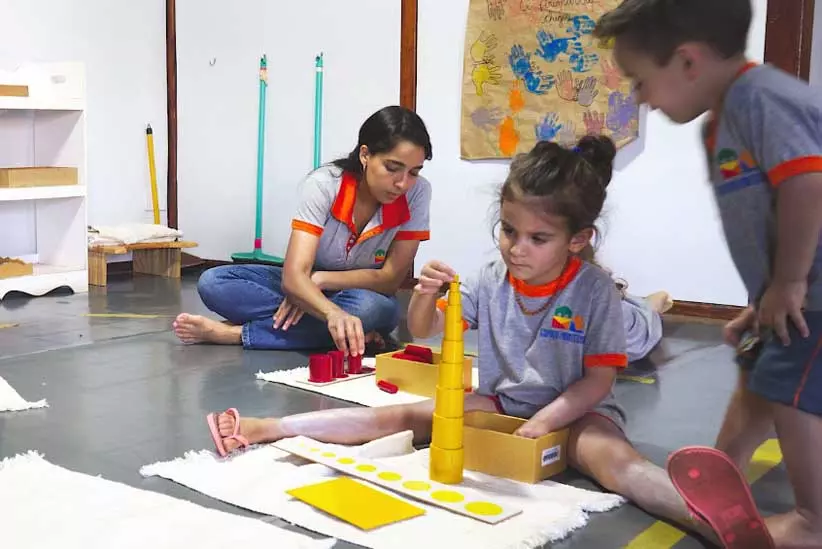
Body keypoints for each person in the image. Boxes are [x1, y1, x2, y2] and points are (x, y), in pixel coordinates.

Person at [204, 136, 726, 546]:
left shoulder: (593, 290)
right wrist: (425, 294)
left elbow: (598, 382)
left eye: (538, 239)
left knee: (619, 466)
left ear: (577, 239)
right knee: (400, 416)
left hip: (578, 413)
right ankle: (271, 427)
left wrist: (545, 422)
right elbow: (425, 330)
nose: (517, 248)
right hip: (503, 403)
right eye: (508, 231)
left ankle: (721, 524)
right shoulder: (491, 277)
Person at [595, 0, 822, 547]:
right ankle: (725, 469)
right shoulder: (721, 121)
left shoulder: (761, 98)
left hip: (814, 290)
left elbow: (807, 183)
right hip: (793, 287)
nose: (639, 97)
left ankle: (812, 519)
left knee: (790, 382)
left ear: (688, 61)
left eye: (640, 81)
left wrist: (790, 283)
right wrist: (764, 297)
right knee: (757, 359)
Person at [173, 106, 433, 356]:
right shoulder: (325, 184)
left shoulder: (418, 193)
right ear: (365, 155)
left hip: (361, 294)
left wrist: (321, 280)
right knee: (213, 283)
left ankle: (238, 333)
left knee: (372, 310)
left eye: (414, 172)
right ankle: (346, 331)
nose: (402, 183)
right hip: (307, 285)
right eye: (392, 168)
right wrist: (330, 311)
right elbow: (293, 277)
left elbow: (389, 279)